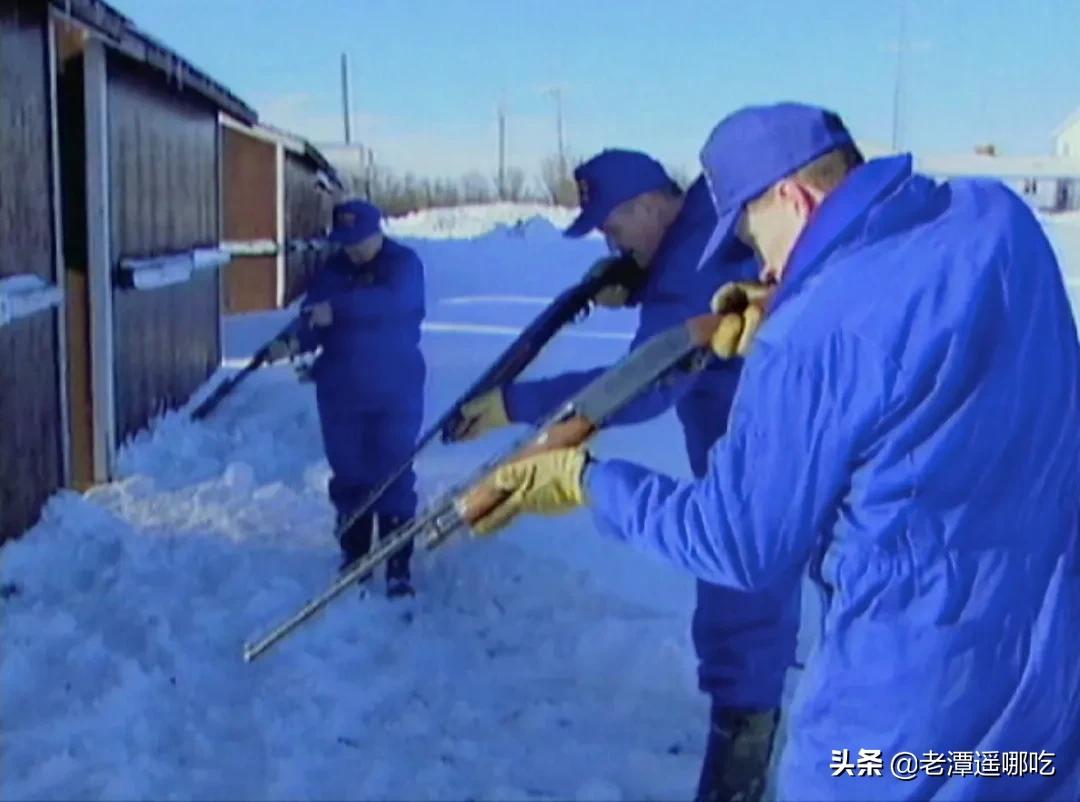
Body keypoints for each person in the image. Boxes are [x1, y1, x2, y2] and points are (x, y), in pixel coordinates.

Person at [468, 103, 1080, 800]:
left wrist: (587, 482)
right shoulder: (997, 218)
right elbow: (910, 317)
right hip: (1047, 679)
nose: (761, 261)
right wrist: (794, 294)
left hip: (902, 706)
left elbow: (738, 543)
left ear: (794, 197)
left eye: (755, 235)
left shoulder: (809, 338)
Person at [448, 149, 796, 802]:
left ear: (649, 205)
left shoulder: (687, 267)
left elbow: (639, 388)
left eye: (615, 228)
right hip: (760, 446)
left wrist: (515, 404)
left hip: (763, 456)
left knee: (743, 602)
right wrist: (641, 279)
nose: (613, 244)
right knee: (749, 596)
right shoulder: (704, 226)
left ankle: (741, 775)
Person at [270, 198, 426, 598]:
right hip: (341, 389)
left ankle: (397, 563)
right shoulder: (333, 270)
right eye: (345, 241)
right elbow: (313, 316)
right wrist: (293, 340)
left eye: (358, 240)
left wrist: (337, 310)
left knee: (393, 470)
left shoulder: (404, 265)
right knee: (349, 472)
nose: (352, 249)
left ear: (377, 232)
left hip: (395, 385)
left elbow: (395, 303)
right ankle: (354, 554)